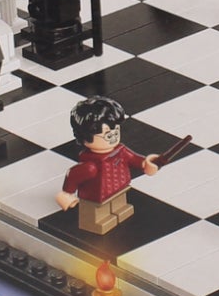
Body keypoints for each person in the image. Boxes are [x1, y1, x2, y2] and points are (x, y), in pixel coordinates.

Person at [54, 96, 151, 233]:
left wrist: (146, 163)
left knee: (120, 206)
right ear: (85, 137)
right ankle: (94, 223)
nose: (113, 137)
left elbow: (134, 159)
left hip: (118, 187)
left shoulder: (120, 151)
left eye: (116, 132)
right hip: (95, 197)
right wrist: (67, 193)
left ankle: (119, 211)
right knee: (98, 217)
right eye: (108, 135)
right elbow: (73, 175)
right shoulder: (91, 165)